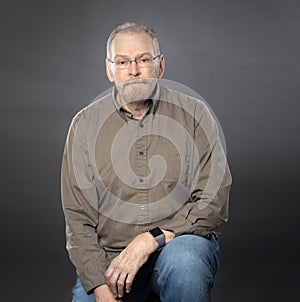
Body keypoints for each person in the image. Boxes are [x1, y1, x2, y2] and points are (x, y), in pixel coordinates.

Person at [61, 22, 232, 302]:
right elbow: (77, 219)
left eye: (143, 60)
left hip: (179, 245)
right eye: (123, 61)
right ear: (109, 69)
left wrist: (151, 238)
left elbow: (213, 201)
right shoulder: (84, 125)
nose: (134, 71)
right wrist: (99, 286)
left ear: (160, 65)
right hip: (113, 259)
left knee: (186, 263)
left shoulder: (194, 114)